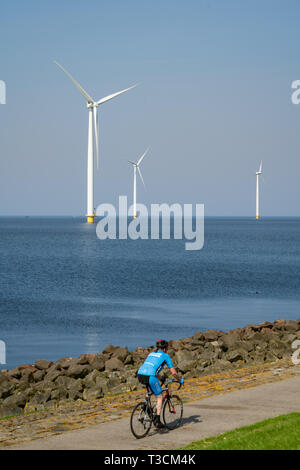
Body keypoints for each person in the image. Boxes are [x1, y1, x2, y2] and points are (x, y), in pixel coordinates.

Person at [137, 339, 184, 429]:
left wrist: (160, 378)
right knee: (159, 396)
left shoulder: (151, 353)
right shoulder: (165, 356)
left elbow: (152, 367)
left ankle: (146, 406)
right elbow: (174, 373)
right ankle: (157, 421)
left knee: (150, 392)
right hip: (150, 376)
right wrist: (180, 380)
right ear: (165, 348)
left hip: (140, 374)